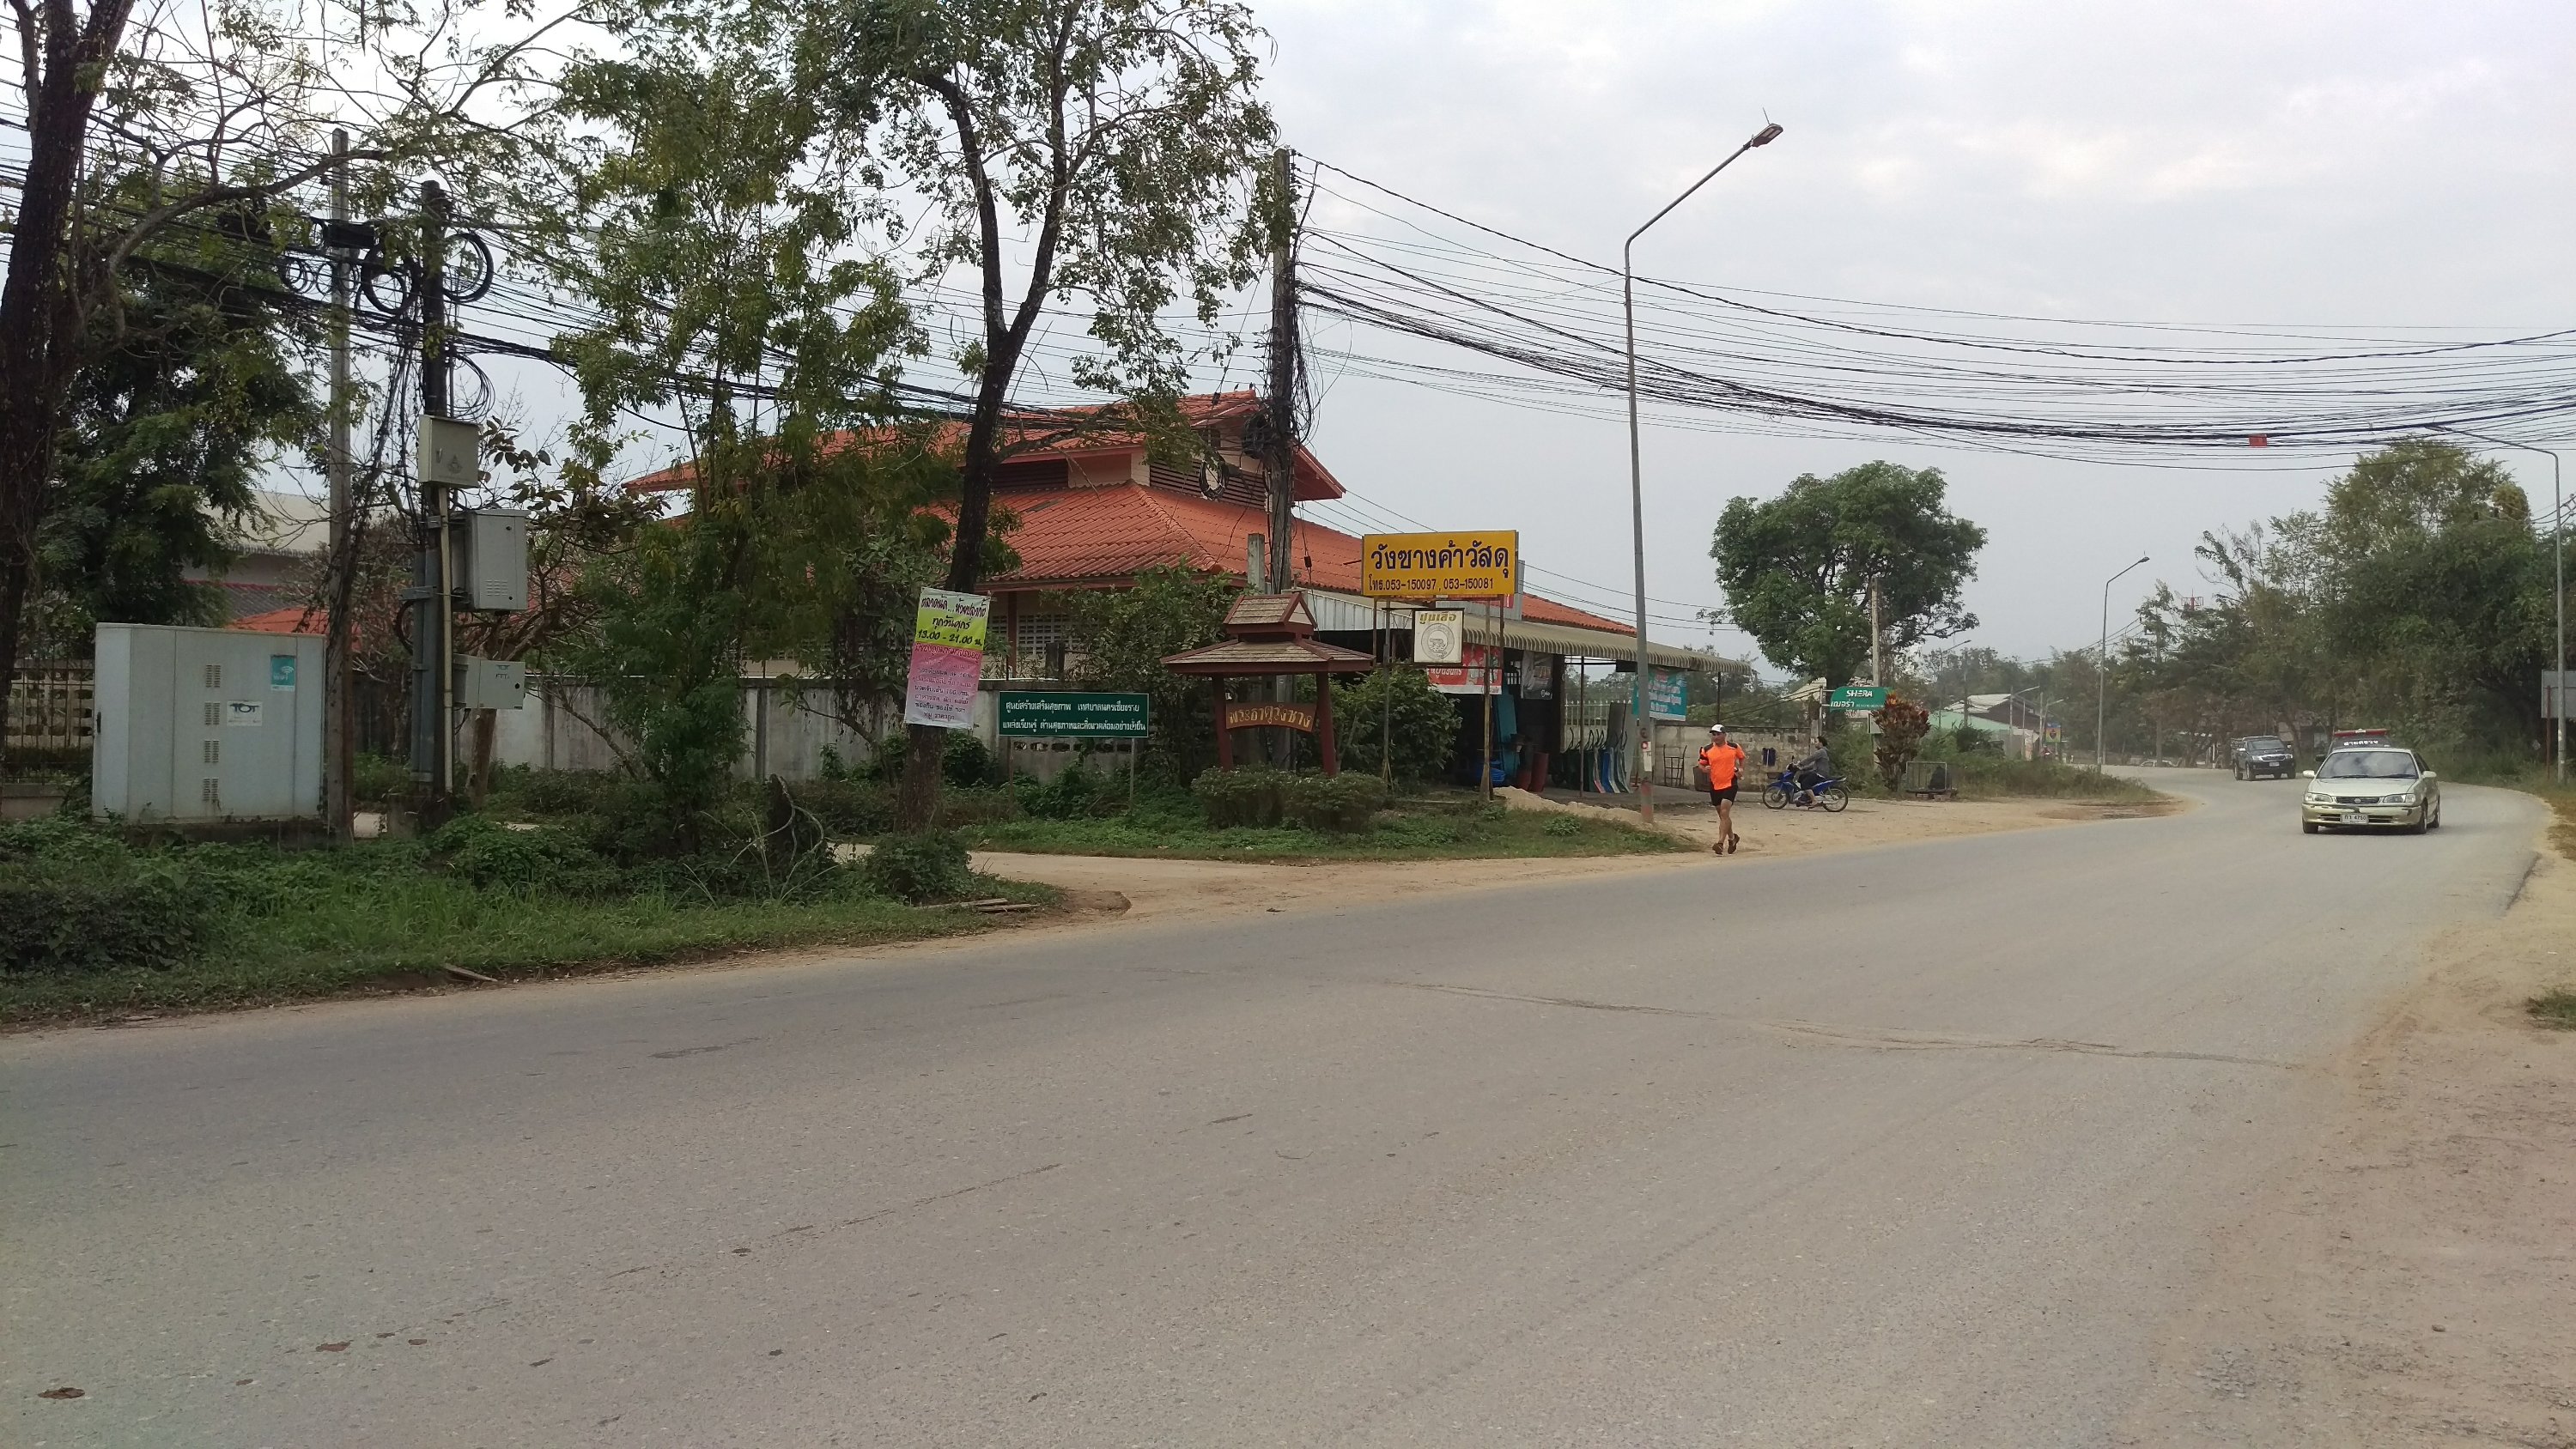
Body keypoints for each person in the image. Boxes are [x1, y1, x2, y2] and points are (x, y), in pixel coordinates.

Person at [1699, 723, 1749, 855]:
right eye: (1713, 734)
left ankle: (1720, 843)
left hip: (1730, 783)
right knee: (1722, 815)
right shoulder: (1707, 749)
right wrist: (1704, 769)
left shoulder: (1734, 747)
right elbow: (1701, 764)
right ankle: (1732, 838)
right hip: (1715, 784)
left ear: (1724, 735)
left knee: (1724, 812)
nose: (1715, 737)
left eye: (1718, 734)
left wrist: (1741, 769)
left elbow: (1742, 758)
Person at [1790, 736, 1833, 806]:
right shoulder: (1822, 751)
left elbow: (1810, 759)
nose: (1815, 743)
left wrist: (1799, 764)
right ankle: (1807, 796)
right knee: (1801, 777)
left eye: (1816, 742)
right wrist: (1802, 768)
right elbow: (1813, 765)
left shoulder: (1821, 751)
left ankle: (1814, 800)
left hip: (1820, 774)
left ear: (1821, 743)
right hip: (1818, 772)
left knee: (1805, 783)